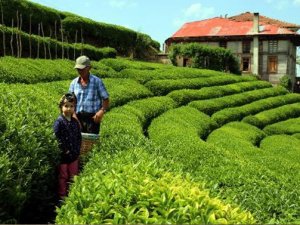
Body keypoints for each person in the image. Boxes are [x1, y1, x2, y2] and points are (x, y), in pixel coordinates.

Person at [69, 55, 109, 134]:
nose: (80, 71)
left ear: (89, 68)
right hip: (77, 117)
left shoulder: (97, 81)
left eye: (82, 69)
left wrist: (101, 111)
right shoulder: (73, 83)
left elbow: (106, 99)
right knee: (77, 143)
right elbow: (70, 101)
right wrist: (73, 115)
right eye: (78, 69)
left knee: (90, 144)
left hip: (93, 119)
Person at [53, 93, 82, 199]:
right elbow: (57, 137)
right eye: (66, 106)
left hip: (74, 155)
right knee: (63, 176)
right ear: (61, 107)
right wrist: (65, 150)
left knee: (73, 177)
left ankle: (72, 196)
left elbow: (79, 137)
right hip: (63, 156)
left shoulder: (75, 122)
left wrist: (77, 149)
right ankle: (62, 196)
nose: (69, 109)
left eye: (71, 106)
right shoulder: (59, 122)